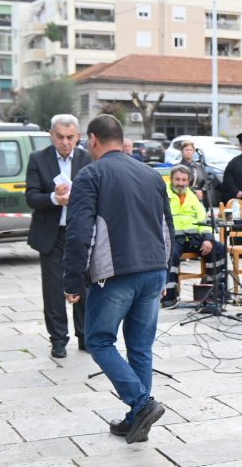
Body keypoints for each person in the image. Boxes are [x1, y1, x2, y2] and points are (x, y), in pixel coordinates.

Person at [62, 114, 177, 444]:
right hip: (154, 269)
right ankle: (135, 420)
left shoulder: (91, 174)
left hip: (116, 274)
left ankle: (141, 403)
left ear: (93, 139)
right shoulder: (151, 173)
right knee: (141, 347)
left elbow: (79, 232)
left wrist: (72, 281)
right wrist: (167, 270)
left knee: (98, 340)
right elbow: (167, 227)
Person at [25, 113, 91, 359]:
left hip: (80, 233)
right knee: (53, 290)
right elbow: (31, 197)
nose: (65, 142)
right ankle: (58, 339)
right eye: (60, 137)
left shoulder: (87, 159)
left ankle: (85, 336)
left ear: (78, 137)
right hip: (51, 234)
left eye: (70, 137)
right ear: (51, 135)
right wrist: (55, 198)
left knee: (84, 285)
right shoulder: (38, 159)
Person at [163, 165, 228, 315]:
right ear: (171, 179)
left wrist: (207, 239)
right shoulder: (162, 195)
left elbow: (203, 221)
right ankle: (169, 296)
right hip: (173, 239)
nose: (181, 183)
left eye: (184, 180)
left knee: (218, 248)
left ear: (189, 181)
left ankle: (214, 294)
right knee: (170, 254)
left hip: (193, 238)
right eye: (178, 179)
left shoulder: (193, 196)